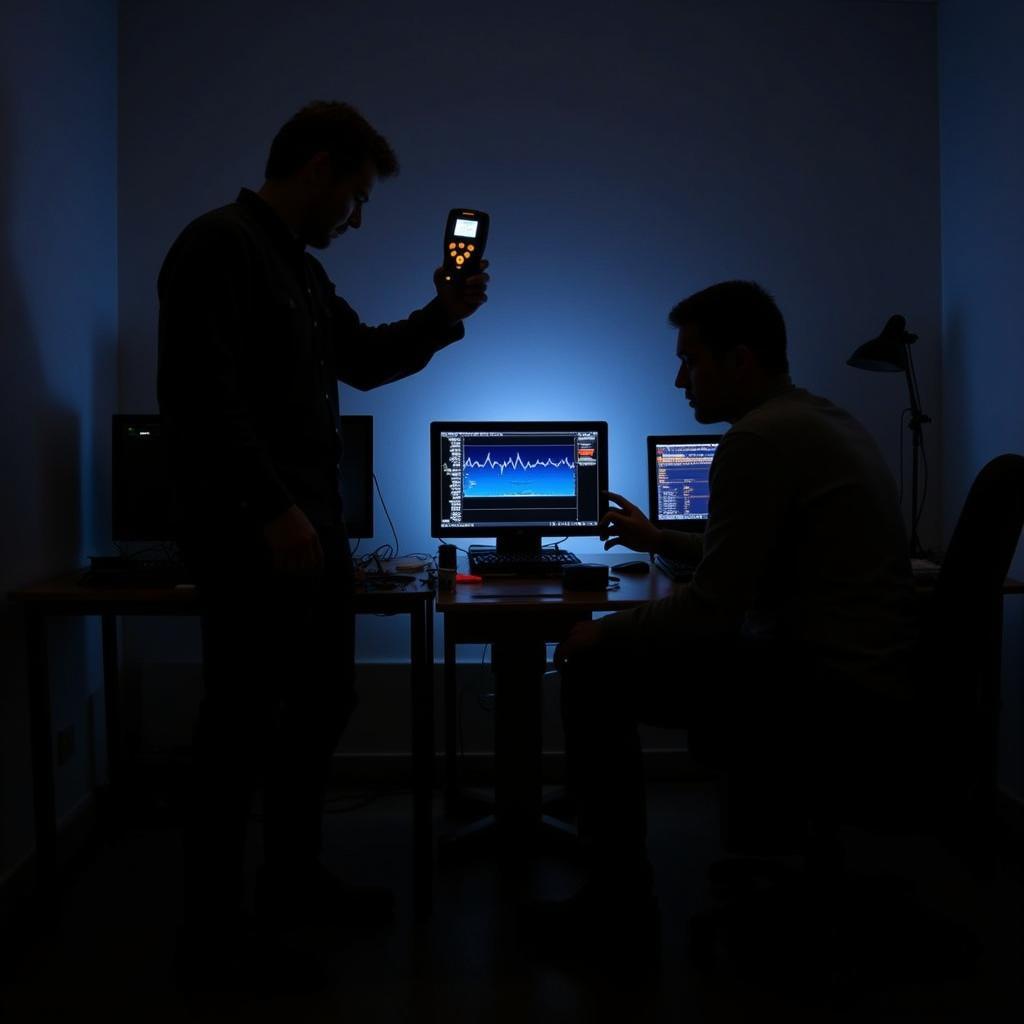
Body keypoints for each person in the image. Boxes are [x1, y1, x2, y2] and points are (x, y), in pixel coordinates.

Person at [157, 101, 489, 990]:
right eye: (355, 196)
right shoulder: (218, 245)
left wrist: (444, 311)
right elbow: (201, 395)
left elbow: (367, 358)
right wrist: (271, 508)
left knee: (319, 707)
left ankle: (290, 884)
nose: (357, 215)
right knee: (240, 729)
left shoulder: (297, 272)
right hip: (255, 531)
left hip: (308, 530)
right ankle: (214, 938)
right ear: (317, 170)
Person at [531, 280, 918, 963]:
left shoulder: (756, 440)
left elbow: (713, 607)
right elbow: (763, 556)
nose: (679, 379)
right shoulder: (819, 418)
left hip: (819, 686)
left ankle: (618, 907)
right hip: (868, 675)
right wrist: (662, 540)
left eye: (691, 361)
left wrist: (605, 630)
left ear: (740, 361)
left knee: (593, 672)